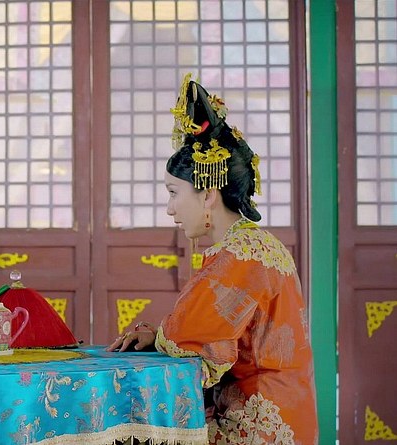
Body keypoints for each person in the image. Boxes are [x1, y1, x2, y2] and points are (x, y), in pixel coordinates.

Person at [107, 74, 317, 444]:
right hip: (285, 413)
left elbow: (193, 348)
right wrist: (160, 337)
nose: (170, 208)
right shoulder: (257, 244)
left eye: (174, 193)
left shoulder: (237, 256)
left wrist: (162, 339)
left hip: (255, 427)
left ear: (207, 194)